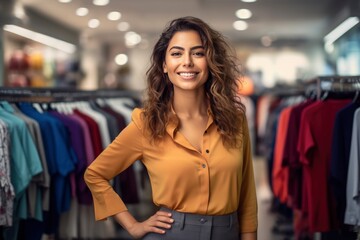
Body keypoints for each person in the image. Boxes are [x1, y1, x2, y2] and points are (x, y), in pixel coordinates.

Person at [84, 16, 258, 240]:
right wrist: (133, 226)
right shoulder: (147, 124)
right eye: (176, 53)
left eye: (198, 53)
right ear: (165, 65)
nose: (187, 62)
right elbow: (95, 175)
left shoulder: (235, 119)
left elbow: (247, 194)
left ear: (211, 61)